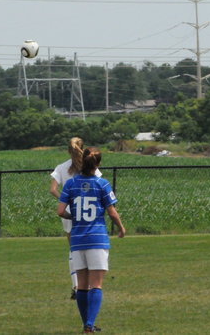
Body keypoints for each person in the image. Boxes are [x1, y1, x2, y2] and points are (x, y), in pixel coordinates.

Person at [57, 147, 126, 334]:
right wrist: (121, 228)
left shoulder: (70, 184)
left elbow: (60, 211)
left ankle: (86, 324)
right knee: (96, 285)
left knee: (82, 285)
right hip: (97, 238)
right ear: (98, 164)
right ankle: (89, 325)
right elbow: (112, 212)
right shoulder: (102, 184)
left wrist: (74, 217)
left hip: (77, 239)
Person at [50, 137, 102, 300]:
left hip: (69, 212)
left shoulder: (61, 167)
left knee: (74, 249)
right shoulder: (89, 166)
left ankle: (76, 287)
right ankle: (90, 285)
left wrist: (66, 200)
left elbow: (53, 189)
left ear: (68, 150)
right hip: (89, 212)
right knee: (91, 249)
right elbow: (98, 183)